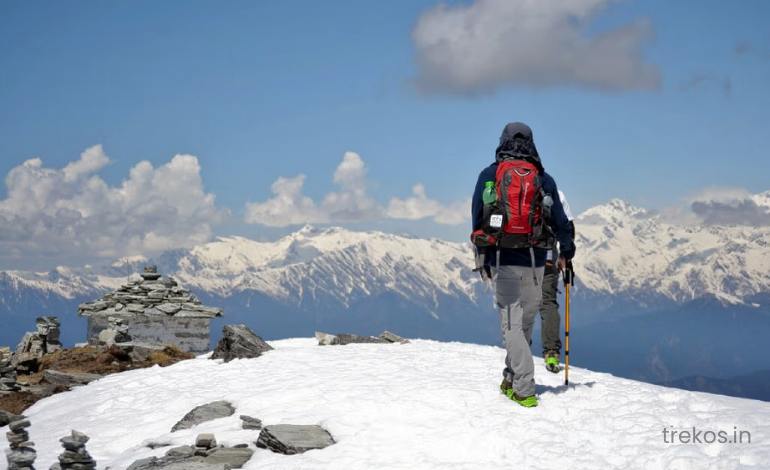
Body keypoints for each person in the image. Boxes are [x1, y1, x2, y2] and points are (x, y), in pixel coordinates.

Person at [471, 122, 575, 408]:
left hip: (503, 258)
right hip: (538, 261)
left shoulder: (490, 175)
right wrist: (567, 251)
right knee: (525, 321)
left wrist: (483, 257)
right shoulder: (542, 177)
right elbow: (561, 223)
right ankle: (511, 376)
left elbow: (478, 217)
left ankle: (524, 387)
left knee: (511, 326)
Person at [541, 190, 575, 373]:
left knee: (519, 305)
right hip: (546, 254)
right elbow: (567, 226)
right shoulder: (554, 191)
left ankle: (517, 353)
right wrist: (565, 255)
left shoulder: (509, 185)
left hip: (517, 256)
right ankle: (551, 353)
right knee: (547, 302)